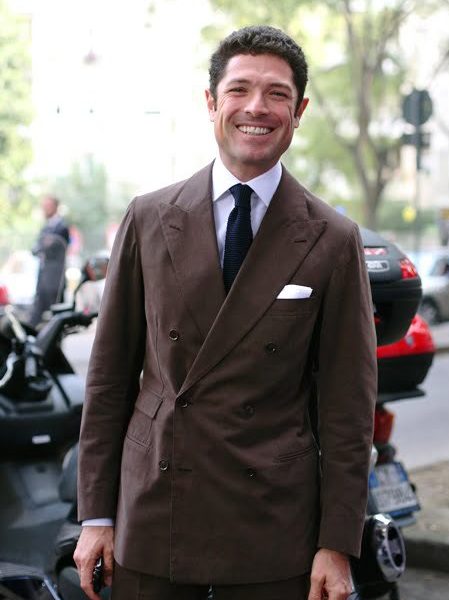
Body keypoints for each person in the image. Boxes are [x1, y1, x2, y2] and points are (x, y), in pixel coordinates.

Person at [74, 25, 376, 600]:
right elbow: (109, 379)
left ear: (299, 111)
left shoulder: (333, 238)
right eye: (239, 89)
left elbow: (348, 408)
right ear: (211, 102)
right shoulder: (147, 217)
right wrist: (96, 515)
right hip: (155, 509)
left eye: (277, 94)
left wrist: (336, 544)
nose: (256, 108)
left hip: (273, 522)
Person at [30, 195, 70, 327]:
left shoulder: (61, 227)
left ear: (55, 207)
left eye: (47, 206)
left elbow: (52, 247)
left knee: (55, 313)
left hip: (55, 280)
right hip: (43, 278)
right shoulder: (45, 227)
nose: (44, 209)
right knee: (36, 314)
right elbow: (37, 248)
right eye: (43, 206)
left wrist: (44, 246)